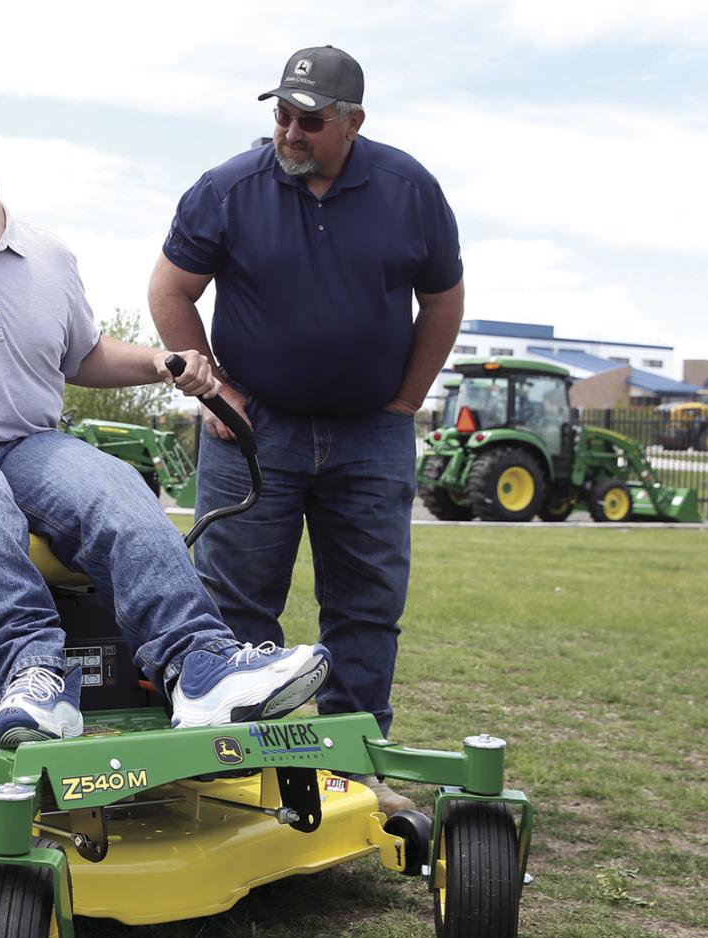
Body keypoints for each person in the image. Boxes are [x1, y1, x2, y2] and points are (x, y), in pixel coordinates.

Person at [0, 85, 331, 752]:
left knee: (115, 488)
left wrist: (162, 362)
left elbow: (85, 355)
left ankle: (198, 668)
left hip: (24, 445)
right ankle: (32, 675)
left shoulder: (49, 259)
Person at [148, 47, 466, 814]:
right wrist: (217, 388)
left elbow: (444, 301)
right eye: (282, 114)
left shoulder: (409, 189)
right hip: (255, 433)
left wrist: (407, 401)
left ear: (353, 122)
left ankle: (355, 774)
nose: (291, 132)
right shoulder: (228, 188)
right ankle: (232, 778)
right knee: (236, 605)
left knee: (365, 608)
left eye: (311, 120)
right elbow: (170, 289)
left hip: (371, 436)